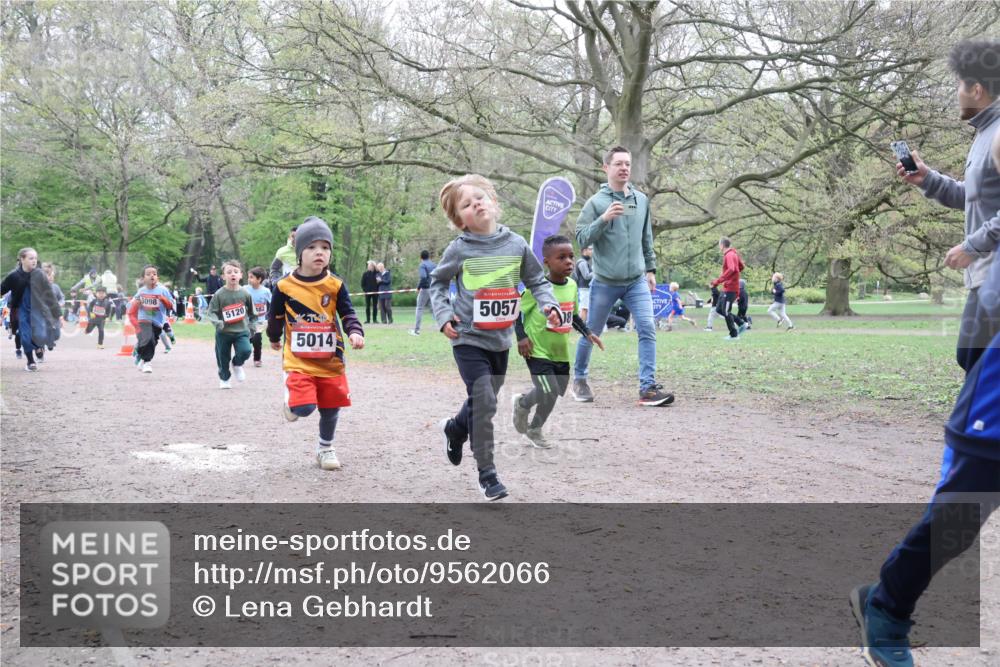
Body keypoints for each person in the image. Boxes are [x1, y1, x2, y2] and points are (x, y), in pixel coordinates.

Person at [430, 174, 562, 500]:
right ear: (460, 220)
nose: (476, 204)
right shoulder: (459, 249)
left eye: (480, 197)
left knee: (482, 400)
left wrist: (549, 305)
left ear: (493, 202)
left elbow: (538, 281)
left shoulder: (516, 244)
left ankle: (455, 428)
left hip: (500, 341)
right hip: (468, 338)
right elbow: (437, 283)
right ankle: (487, 474)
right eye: (466, 204)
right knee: (485, 401)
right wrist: (444, 316)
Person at [897, 40, 1000, 373]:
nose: (956, 93)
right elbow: (973, 196)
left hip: (993, 272)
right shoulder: (984, 134)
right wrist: (927, 179)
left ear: (977, 89)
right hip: (985, 274)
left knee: (976, 360)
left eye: (959, 85)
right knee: (974, 359)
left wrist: (972, 246)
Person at [572, 145, 673, 407]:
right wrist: (603, 219)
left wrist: (650, 269)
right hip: (605, 283)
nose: (624, 168)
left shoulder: (641, 201)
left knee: (647, 327)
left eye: (627, 163)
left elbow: (646, 238)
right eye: (618, 163)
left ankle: (647, 388)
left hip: (636, 281)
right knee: (591, 331)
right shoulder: (596, 203)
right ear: (606, 168)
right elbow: (581, 238)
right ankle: (579, 379)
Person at [267, 216, 364, 471]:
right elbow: (275, 316)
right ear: (299, 253)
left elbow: (347, 313)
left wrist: (355, 331)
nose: (319, 252)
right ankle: (292, 399)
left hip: (331, 359)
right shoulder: (284, 286)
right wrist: (274, 337)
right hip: (298, 359)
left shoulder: (335, 284)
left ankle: (325, 448)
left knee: (331, 408)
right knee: (305, 408)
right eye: (311, 247)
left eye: (325, 247)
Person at [512, 235, 603, 448]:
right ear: (547, 262)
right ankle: (525, 409)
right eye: (561, 257)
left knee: (554, 393)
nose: (569, 261)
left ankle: (531, 421)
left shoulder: (572, 285)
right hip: (536, 349)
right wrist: (521, 337)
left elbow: (572, 315)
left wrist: (587, 332)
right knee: (548, 389)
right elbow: (516, 312)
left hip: (559, 352)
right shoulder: (536, 288)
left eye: (571, 256)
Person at [1, 248, 61, 371]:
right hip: (21, 310)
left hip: (38, 310)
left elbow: (49, 294)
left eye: (35, 258)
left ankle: (38, 347)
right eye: (31, 258)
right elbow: (2, 289)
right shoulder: (14, 276)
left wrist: (57, 314)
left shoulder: (40, 274)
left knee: (41, 334)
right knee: (25, 336)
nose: (34, 261)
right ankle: (30, 361)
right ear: (22, 259)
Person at [205, 260, 256, 389]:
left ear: (241, 275)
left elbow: (252, 313)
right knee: (223, 357)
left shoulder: (245, 293)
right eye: (229, 272)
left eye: (235, 272)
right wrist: (217, 322)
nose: (233, 274)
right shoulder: (219, 294)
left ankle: (237, 364)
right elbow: (211, 312)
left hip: (241, 331)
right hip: (223, 332)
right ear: (223, 276)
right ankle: (224, 378)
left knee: (246, 350)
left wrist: (252, 326)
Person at [131, 265, 174, 374]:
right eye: (148, 274)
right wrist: (137, 303)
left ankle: (140, 353)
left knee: (152, 342)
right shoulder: (141, 291)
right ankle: (147, 363)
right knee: (148, 338)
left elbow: (171, 306)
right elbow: (132, 306)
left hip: (158, 322)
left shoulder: (163, 290)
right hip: (143, 320)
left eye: (154, 274)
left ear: (157, 277)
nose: (152, 276)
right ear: (143, 279)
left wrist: (163, 299)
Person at [711, 237, 746, 341]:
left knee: (726, 311)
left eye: (719, 245)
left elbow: (732, 268)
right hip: (727, 287)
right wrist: (733, 276)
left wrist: (718, 281)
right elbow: (741, 267)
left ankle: (734, 335)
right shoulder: (733, 254)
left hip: (731, 288)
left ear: (722, 245)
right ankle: (741, 323)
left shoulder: (729, 255)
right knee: (719, 309)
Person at [245, 266, 271, 368]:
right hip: (247, 321)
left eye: (251, 277)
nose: (249, 279)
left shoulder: (266, 291)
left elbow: (272, 303)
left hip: (260, 321)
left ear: (259, 279)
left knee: (257, 339)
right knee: (247, 340)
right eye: (248, 277)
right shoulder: (244, 289)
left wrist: (270, 315)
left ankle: (257, 359)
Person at [410, 250, 437, 335]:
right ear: (429, 256)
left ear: (420, 257)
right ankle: (443, 325)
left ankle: (416, 330)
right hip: (433, 288)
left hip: (425, 289)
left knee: (419, 308)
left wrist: (418, 287)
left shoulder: (422, 265)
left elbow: (423, 277)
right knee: (433, 308)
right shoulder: (434, 265)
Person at [573, 245, 594, 323]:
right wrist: (596, 272)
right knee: (584, 308)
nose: (592, 251)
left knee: (585, 308)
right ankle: (581, 326)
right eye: (590, 249)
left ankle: (582, 325)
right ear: (584, 251)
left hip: (585, 289)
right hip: (584, 289)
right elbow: (586, 276)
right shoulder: (582, 262)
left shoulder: (584, 261)